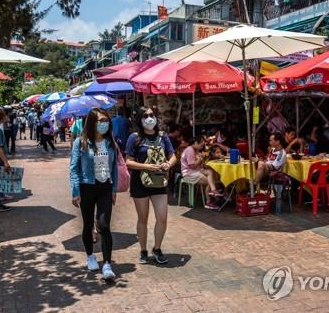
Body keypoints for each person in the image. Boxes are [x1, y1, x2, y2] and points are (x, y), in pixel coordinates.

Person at [69, 108, 118, 280]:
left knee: (104, 225)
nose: (104, 124)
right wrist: (75, 191)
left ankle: (107, 264)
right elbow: (74, 168)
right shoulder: (80, 142)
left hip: (105, 187)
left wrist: (114, 190)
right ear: (92, 123)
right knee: (88, 224)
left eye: (106, 120)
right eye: (100, 121)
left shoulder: (111, 142)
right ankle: (90, 256)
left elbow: (114, 169)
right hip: (86, 187)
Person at [125, 107, 176, 265]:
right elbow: (128, 161)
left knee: (162, 217)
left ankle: (157, 248)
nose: (149, 118)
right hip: (140, 183)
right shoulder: (134, 138)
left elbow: (173, 155)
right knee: (143, 218)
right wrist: (147, 167)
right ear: (140, 119)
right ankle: (143, 249)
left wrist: (168, 164)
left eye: (152, 115)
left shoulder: (163, 137)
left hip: (159, 182)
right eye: (145, 116)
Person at [181, 135, 221, 209]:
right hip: (189, 173)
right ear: (196, 143)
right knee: (210, 181)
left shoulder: (195, 150)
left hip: (195, 170)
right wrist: (200, 159)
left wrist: (202, 160)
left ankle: (213, 190)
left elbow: (200, 165)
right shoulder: (189, 150)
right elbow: (192, 166)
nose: (201, 147)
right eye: (201, 145)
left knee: (210, 172)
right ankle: (208, 202)